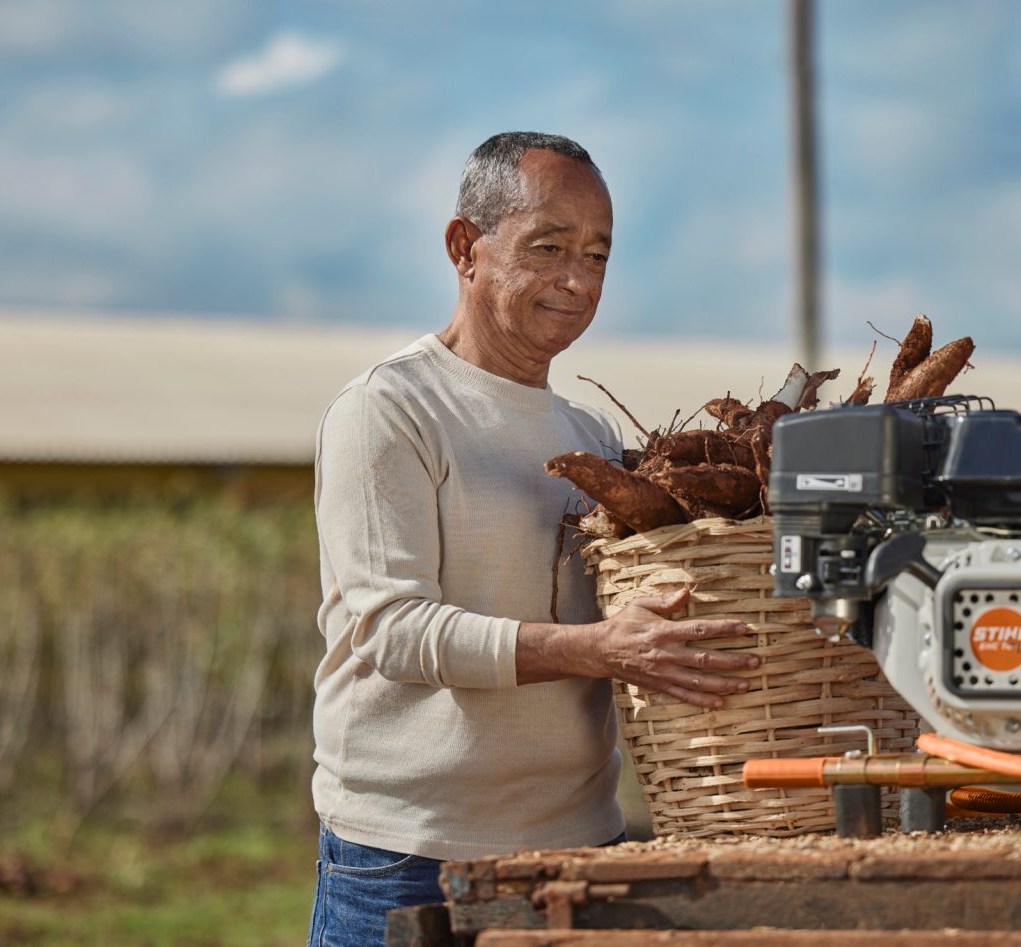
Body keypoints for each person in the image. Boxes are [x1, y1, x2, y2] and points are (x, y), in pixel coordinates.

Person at [307, 131, 760, 947]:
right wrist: (597, 648)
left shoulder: (588, 433)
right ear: (464, 247)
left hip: (580, 842)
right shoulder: (391, 409)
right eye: (547, 247)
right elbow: (390, 630)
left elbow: (633, 620)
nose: (577, 280)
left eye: (597, 256)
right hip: (411, 852)